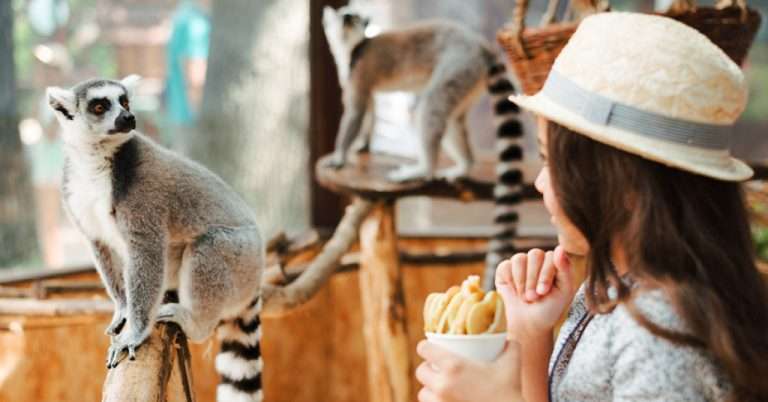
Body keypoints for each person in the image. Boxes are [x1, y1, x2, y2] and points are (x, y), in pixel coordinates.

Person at [415, 12, 768, 402]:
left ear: (623, 185)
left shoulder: (663, 331)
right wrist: (532, 332)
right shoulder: (610, 287)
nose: (539, 182)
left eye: (551, 161)